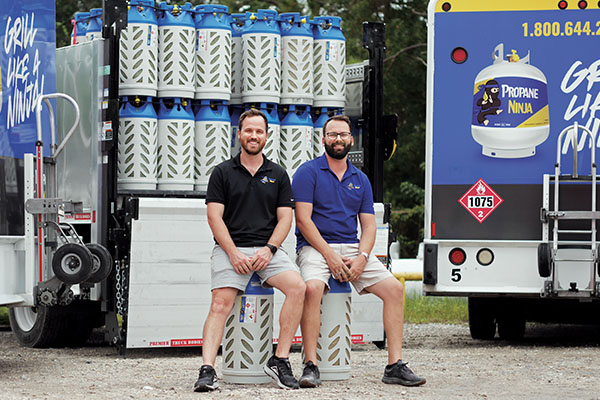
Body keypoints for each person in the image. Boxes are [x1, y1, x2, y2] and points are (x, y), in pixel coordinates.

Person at [292, 115, 426, 388]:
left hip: (352, 247)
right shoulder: (308, 172)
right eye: (332, 134)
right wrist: (329, 255)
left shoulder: (360, 179)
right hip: (315, 247)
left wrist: (363, 257)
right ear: (323, 139)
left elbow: (368, 226)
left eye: (343, 134)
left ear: (352, 139)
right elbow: (303, 221)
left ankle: (394, 365)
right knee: (313, 288)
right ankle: (310, 365)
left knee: (394, 290)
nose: (338, 139)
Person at [193, 109, 306, 392]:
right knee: (220, 302)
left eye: (259, 131)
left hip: (268, 250)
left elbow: (285, 219)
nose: (253, 136)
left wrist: (270, 250)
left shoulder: (278, 174)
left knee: (298, 288)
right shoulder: (222, 172)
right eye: (249, 130)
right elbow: (214, 218)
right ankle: (207, 370)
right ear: (239, 134)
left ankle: (280, 360)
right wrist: (232, 253)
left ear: (267, 136)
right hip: (231, 248)